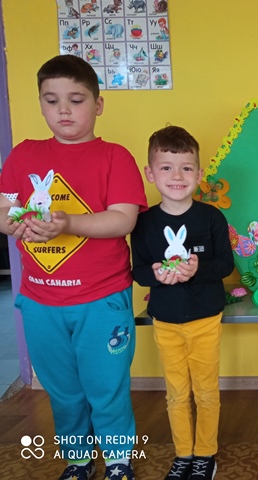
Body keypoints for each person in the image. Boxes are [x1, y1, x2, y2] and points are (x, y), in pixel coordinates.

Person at [0, 55, 147, 480]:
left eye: (76, 100)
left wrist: (66, 224)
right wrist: (24, 222)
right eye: (51, 100)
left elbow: (122, 219)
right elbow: (4, 212)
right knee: (63, 392)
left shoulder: (115, 157)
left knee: (107, 389)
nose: (63, 110)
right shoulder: (23, 155)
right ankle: (78, 460)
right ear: (41, 104)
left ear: (98, 105)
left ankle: (118, 460)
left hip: (102, 300)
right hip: (40, 302)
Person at [130, 126, 235, 480]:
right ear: (150, 173)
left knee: (205, 391)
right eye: (166, 167)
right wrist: (155, 274)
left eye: (186, 168)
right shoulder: (143, 223)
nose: (177, 176)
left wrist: (197, 269)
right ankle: (183, 454)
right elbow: (138, 271)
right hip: (166, 321)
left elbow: (226, 264)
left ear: (199, 174)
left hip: (206, 319)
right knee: (176, 394)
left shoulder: (211, 217)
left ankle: (205, 454)